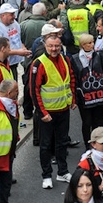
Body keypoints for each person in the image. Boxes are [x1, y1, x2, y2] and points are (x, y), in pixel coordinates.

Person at [32, 28, 77, 189]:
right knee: (45, 146)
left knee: (62, 143)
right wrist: (42, 113)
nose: (54, 49)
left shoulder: (65, 59)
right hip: (47, 113)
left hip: (63, 110)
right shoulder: (39, 63)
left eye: (57, 46)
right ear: (45, 45)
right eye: (51, 46)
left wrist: (73, 99)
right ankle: (46, 175)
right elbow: (34, 90)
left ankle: (62, 172)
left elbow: (71, 79)